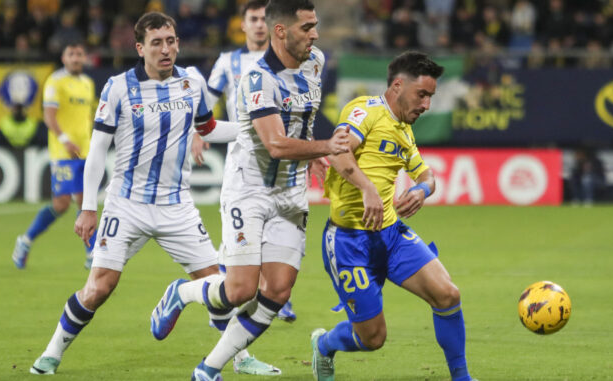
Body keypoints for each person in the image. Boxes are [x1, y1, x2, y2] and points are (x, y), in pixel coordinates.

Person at [28, 12, 276, 376]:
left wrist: (252, 130)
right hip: (126, 204)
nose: (166, 49)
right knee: (99, 288)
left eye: (171, 41)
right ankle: (51, 353)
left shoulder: (192, 82)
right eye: (157, 43)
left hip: (177, 206)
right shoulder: (118, 87)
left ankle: (239, 359)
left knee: (222, 285)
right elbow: (98, 150)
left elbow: (206, 128)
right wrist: (90, 207)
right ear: (140, 48)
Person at [150, 1, 351, 379]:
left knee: (277, 291)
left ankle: (207, 369)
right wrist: (327, 147)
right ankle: (183, 292)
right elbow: (275, 144)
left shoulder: (316, 62)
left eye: (315, 25)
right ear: (281, 31)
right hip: (250, 190)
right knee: (240, 289)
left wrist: (311, 155)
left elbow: (300, 122)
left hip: (291, 192)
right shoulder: (256, 80)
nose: (315, 34)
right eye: (306, 27)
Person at [310, 52, 475, 381]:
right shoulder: (365, 111)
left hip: (390, 235)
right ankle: (324, 344)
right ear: (398, 85)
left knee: (447, 294)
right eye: (422, 95)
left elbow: (428, 176)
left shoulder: (404, 131)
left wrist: (422, 191)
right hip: (348, 241)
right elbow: (340, 154)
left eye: (430, 97)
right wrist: (367, 188)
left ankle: (462, 378)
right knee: (372, 338)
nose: (426, 105)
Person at [193, 0, 297, 323]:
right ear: (243, 24)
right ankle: (232, 292)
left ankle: (272, 291)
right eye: (253, 19)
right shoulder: (228, 61)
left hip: (277, 152)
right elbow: (206, 103)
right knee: (242, 228)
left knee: (277, 223)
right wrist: (199, 134)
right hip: (243, 151)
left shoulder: (284, 60)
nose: (259, 25)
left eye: (264, 19)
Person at [12, 41, 97, 270]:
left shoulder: (88, 83)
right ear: (64, 58)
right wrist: (64, 140)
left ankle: (92, 255)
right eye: (72, 54)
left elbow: (87, 117)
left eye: (80, 54)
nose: (76, 58)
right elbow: (50, 116)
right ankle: (25, 241)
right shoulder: (55, 82)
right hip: (62, 152)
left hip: (85, 151)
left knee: (85, 202)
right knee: (61, 204)